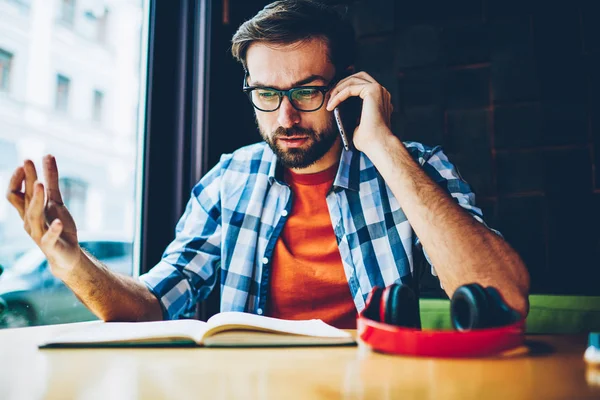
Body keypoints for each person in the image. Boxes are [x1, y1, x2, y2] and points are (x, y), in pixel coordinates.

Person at [5, 0, 529, 329]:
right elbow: (151, 305)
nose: (286, 116)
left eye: (306, 91)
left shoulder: (409, 168)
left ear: (346, 85)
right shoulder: (228, 182)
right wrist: (71, 258)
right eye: (265, 94)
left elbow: (504, 295)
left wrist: (383, 146)